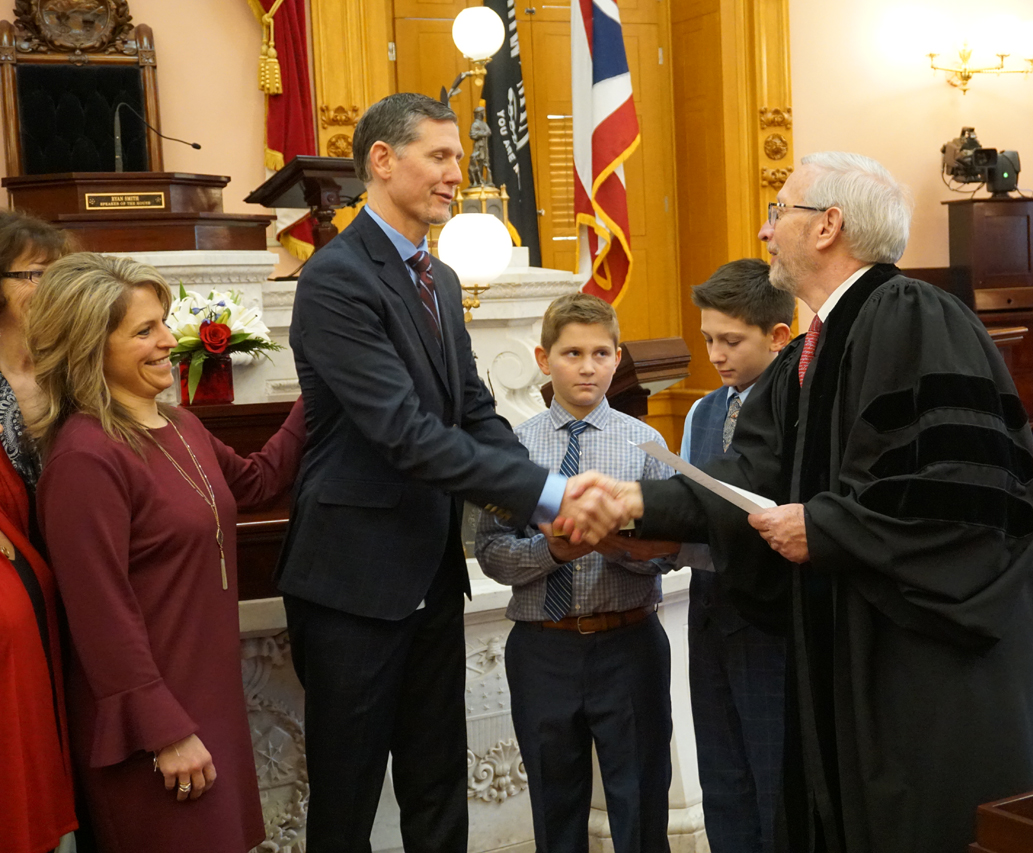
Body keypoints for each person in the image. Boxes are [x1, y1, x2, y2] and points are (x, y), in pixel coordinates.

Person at [578, 152, 1033, 853]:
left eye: (779, 212)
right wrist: (635, 502)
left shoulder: (919, 318)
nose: (764, 229)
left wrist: (828, 526)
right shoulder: (813, 350)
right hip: (851, 643)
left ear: (829, 225)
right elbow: (746, 474)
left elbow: (968, 502)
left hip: (928, 660)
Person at [274, 92, 625, 853]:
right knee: (347, 800)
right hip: (353, 585)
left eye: (457, 160)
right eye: (438, 157)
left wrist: (533, 492)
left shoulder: (433, 277)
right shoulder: (336, 279)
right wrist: (547, 494)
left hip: (429, 574)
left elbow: (474, 410)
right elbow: (404, 434)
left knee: (439, 787)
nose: (453, 177)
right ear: (381, 160)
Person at [28, 252, 306, 853]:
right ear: (89, 348)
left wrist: (321, 394)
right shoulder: (85, 458)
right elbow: (101, 616)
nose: (168, 340)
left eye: (163, 322)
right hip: (153, 730)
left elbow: (255, 483)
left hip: (209, 703)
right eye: (144, 330)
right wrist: (165, 732)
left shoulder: (180, 425)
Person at [474, 293, 679, 853]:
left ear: (618, 358)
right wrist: (555, 554)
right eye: (571, 354)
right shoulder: (515, 449)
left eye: (600, 353)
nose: (587, 367)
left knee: (640, 804)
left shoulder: (647, 444)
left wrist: (614, 544)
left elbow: (672, 551)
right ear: (544, 359)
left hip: (629, 642)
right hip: (544, 649)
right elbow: (492, 552)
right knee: (555, 806)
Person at [677, 258, 793, 853]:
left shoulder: (795, 407)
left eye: (731, 341)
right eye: (707, 341)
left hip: (767, 614)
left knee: (771, 772)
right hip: (708, 607)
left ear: (778, 336)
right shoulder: (704, 412)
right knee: (720, 768)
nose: (717, 355)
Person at [0, 211, 77, 853]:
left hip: (75, 560)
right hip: (15, 567)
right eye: (34, 274)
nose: (50, 286)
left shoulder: (73, 366)